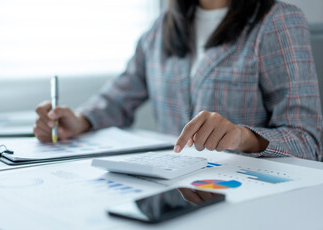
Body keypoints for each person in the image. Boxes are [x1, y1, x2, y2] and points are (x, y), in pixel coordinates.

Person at [34, 0, 322, 160]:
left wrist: (242, 137)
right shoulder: (161, 27)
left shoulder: (278, 20)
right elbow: (118, 98)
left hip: (240, 191)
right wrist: (80, 121)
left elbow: (308, 141)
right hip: (174, 188)